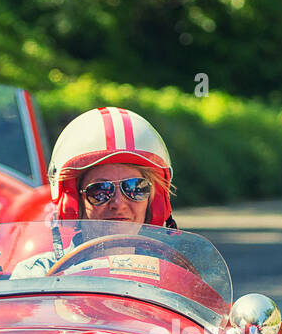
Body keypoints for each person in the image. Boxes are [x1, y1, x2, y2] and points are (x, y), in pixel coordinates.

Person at [12, 106, 175, 277]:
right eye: (100, 191)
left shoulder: (173, 274)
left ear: (152, 199)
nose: (118, 204)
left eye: (135, 187)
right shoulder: (36, 275)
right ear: (73, 201)